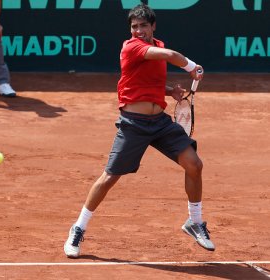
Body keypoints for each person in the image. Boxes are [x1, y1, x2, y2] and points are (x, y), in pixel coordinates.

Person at [64, 3, 215, 258]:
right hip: (133, 124)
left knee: (194, 164)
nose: (138, 31)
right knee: (109, 178)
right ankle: (78, 228)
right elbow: (170, 56)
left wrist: (170, 92)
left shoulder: (155, 45)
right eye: (134, 27)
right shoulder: (131, 47)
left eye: (143, 26)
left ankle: (195, 221)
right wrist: (192, 67)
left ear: (152, 26)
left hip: (161, 123)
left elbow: (149, 81)